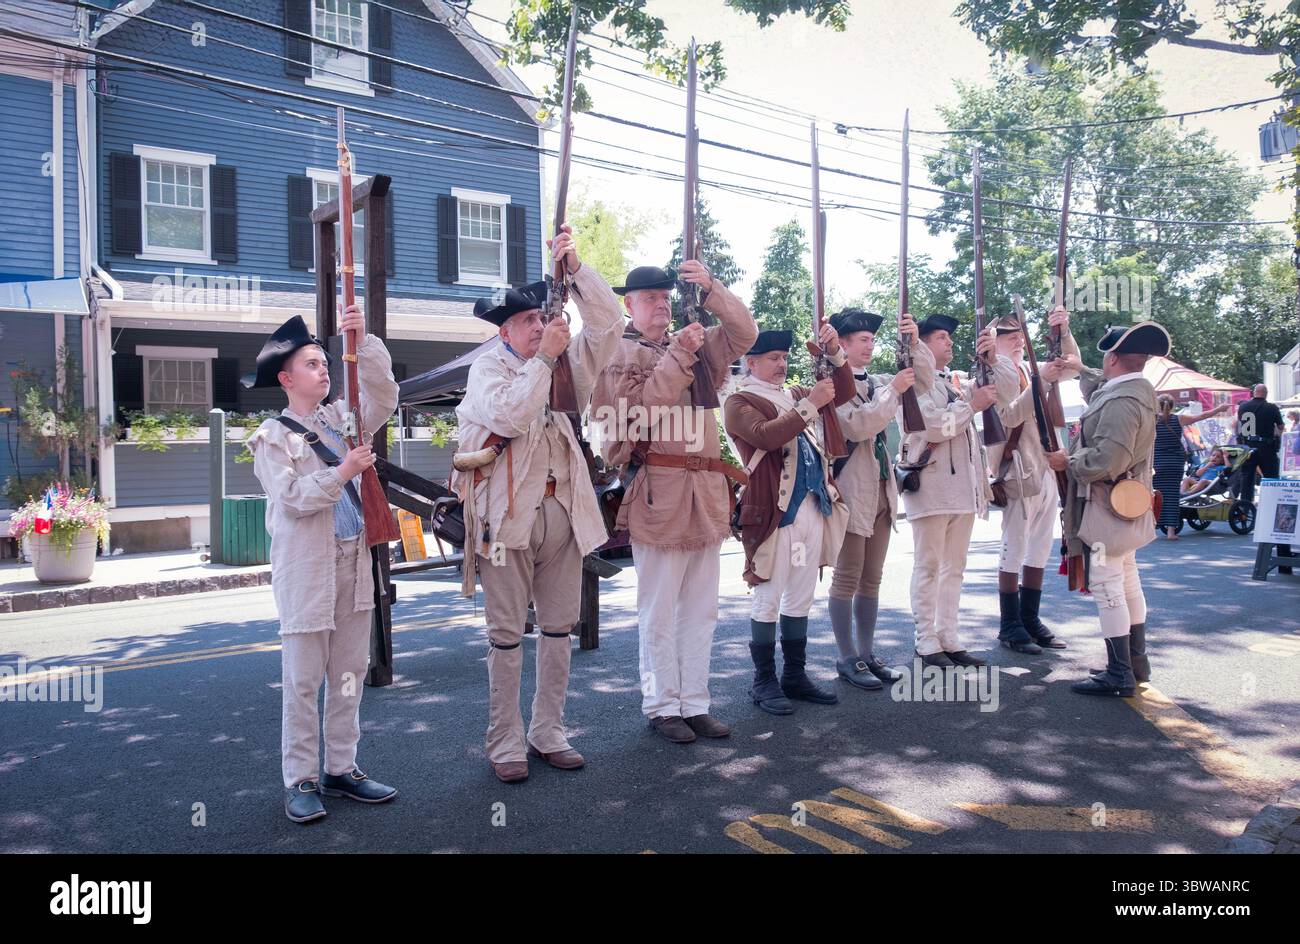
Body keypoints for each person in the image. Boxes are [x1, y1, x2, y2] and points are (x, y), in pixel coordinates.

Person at [454, 225, 623, 784]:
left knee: (558, 629)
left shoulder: (565, 362)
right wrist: (545, 359)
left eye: (544, 319)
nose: (542, 328)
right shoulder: (488, 370)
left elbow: (609, 323)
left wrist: (574, 270)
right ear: (506, 330)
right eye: (530, 321)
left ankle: (548, 731)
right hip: (506, 520)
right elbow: (509, 416)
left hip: (564, 514)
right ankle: (504, 740)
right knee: (506, 635)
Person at [591, 262, 757, 744]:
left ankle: (695, 702)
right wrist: (680, 356)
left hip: (703, 495)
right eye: (648, 298)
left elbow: (745, 333)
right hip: (658, 492)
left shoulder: (694, 344)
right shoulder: (618, 353)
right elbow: (636, 416)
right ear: (629, 306)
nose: (660, 304)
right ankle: (663, 706)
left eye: (665, 296)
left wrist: (710, 288)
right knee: (659, 609)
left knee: (701, 609)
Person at [245, 309, 400, 824]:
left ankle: (341, 767)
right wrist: (344, 471)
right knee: (304, 680)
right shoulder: (272, 436)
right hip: (308, 568)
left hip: (354, 559)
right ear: (287, 379)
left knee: (350, 673)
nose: (324, 370)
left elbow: (385, 397)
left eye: (324, 361)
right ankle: (301, 779)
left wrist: (363, 338)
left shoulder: (341, 418)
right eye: (312, 364)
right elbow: (290, 498)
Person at [724, 326, 855, 714]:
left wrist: (834, 352)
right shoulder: (739, 402)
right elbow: (766, 437)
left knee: (800, 594)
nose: (781, 364)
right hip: (773, 512)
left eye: (783, 358)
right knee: (768, 595)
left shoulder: (793, 395)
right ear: (752, 363)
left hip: (812, 507)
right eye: (772, 359)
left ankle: (794, 675)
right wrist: (810, 404)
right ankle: (764, 681)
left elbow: (842, 391)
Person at [1046, 320, 1171, 695]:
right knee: (1127, 582)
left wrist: (1068, 462)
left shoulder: (1123, 399)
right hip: (1125, 503)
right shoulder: (1129, 390)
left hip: (1105, 504)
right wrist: (1076, 366)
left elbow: (1108, 459)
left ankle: (1120, 674)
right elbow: (1095, 386)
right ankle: (1135, 664)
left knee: (1108, 586)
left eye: (1104, 361)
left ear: (1113, 358)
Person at [897, 314, 1018, 668]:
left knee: (954, 568)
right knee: (930, 566)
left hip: (963, 489)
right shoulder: (916, 385)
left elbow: (1008, 392)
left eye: (949, 337)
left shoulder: (951, 382)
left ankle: (948, 636)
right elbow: (934, 427)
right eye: (940, 337)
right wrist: (972, 405)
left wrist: (993, 358)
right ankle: (926, 640)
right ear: (922, 345)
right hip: (932, 488)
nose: (949, 342)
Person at [824, 308, 927, 690]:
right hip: (852, 492)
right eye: (862, 340)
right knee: (847, 577)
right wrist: (893, 392)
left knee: (873, 578)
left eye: (871, 339)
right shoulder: (835, 385)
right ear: (843, 346)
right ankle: (847, 657)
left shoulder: (881, 380)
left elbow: (926, 379)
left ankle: (867, 653)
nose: (870, 345)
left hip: (883, 491)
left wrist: (914, 344)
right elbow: (860, 423)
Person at [986, 306, 1082, 655]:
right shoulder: (994, 371)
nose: (1016, 338)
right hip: (1017, 471)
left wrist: (1063, 329)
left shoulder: (1028, 368)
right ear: (993, 341)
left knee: (1040, 547)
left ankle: (1030, 618)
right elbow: (1009, 415)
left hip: (1045, 469)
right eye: (1008, 333)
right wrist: (1042, 378)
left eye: (1018, 333)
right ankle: (1010, 624)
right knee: (1013, 549)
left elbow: (1072, 364)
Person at [1153, 396, 1233, 538]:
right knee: (1172, 495)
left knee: (1156, 493)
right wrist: (1220, 408)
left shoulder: (1152, 420)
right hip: (1175, 461)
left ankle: (1153, 525)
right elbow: (1203, 415)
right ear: (1172, 406)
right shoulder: (1179, 419)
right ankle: (1171, 532)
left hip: (1157, 461)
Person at [1235, 385, 1284, 503]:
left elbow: (1240, 423)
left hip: (1247, 446)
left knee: (1246, 477)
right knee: (1270, 476)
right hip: (1265, 446)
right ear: (1266, 393)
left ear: (1254, 393)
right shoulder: (1272, 408)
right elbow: (1280, 426)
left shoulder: (1243, 407)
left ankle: (1245, 506)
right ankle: (1270, 502)